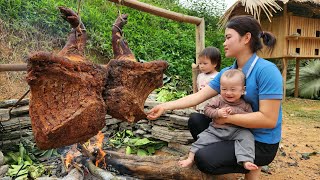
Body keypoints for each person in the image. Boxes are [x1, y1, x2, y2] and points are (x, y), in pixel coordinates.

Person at [147, 15, 283, 179]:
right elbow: (198, 97)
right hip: (233, 130)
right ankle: (229, 160)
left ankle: (240, 162)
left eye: (228, 37)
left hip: (260, 142)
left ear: (246, 38)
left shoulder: (267, 71)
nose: (224, 43)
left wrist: (227, 119)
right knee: (196, 119)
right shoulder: (228, 73)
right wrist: (165, 106)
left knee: (204, 159)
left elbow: (268, 119)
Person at [178, 69, 258, 171]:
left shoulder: (245, 104)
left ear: (243, 90)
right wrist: (217, 113)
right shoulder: (218, 99)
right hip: (216, 130)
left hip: (237, 131)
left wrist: (236, 111)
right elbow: (207, 109)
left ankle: (246, 161)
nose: (228, 93)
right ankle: (190, 159)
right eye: (224, 89)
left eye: (233, 89)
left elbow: (249, 117)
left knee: (248, 137)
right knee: (202, 139)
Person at [196, 47, 221, 113]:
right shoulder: (200, 76)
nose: (201, 66)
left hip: (215, 109)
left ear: (215, 64)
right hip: (201, 108)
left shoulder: (218, 76)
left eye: (205, 63)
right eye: (200, 63)